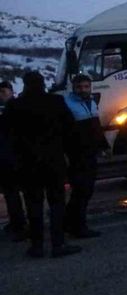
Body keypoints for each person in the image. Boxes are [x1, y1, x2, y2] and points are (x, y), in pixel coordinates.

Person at [4, 72, 80, 258]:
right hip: (53, 161)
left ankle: (37, 246)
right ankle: (58, 243)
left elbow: (7, 136)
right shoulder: (55, 102)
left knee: (33, 204)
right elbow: (70, 131)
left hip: (27, 164)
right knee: (56, 203)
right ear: (42, 83)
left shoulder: (14, 106)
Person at [63, 74, 109, 238]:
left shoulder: (91, 103)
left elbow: (96, 127)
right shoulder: (67, 105)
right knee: (81, 191)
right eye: (79, 87)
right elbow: (65, 133)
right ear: (73, 88)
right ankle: (78, 227)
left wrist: (103, 146)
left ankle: (68, 223)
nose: (82, 90)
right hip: (77, 155)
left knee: (86, 191)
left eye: (85, 87)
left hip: (91, 154)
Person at [0, 80, 26, 242]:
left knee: (17, 193)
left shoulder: (17, 108)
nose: (1, 95)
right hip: (6, 157)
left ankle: (21, 225)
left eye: (4, 92)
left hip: (17, 156)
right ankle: (17, 222)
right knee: (11, 194)